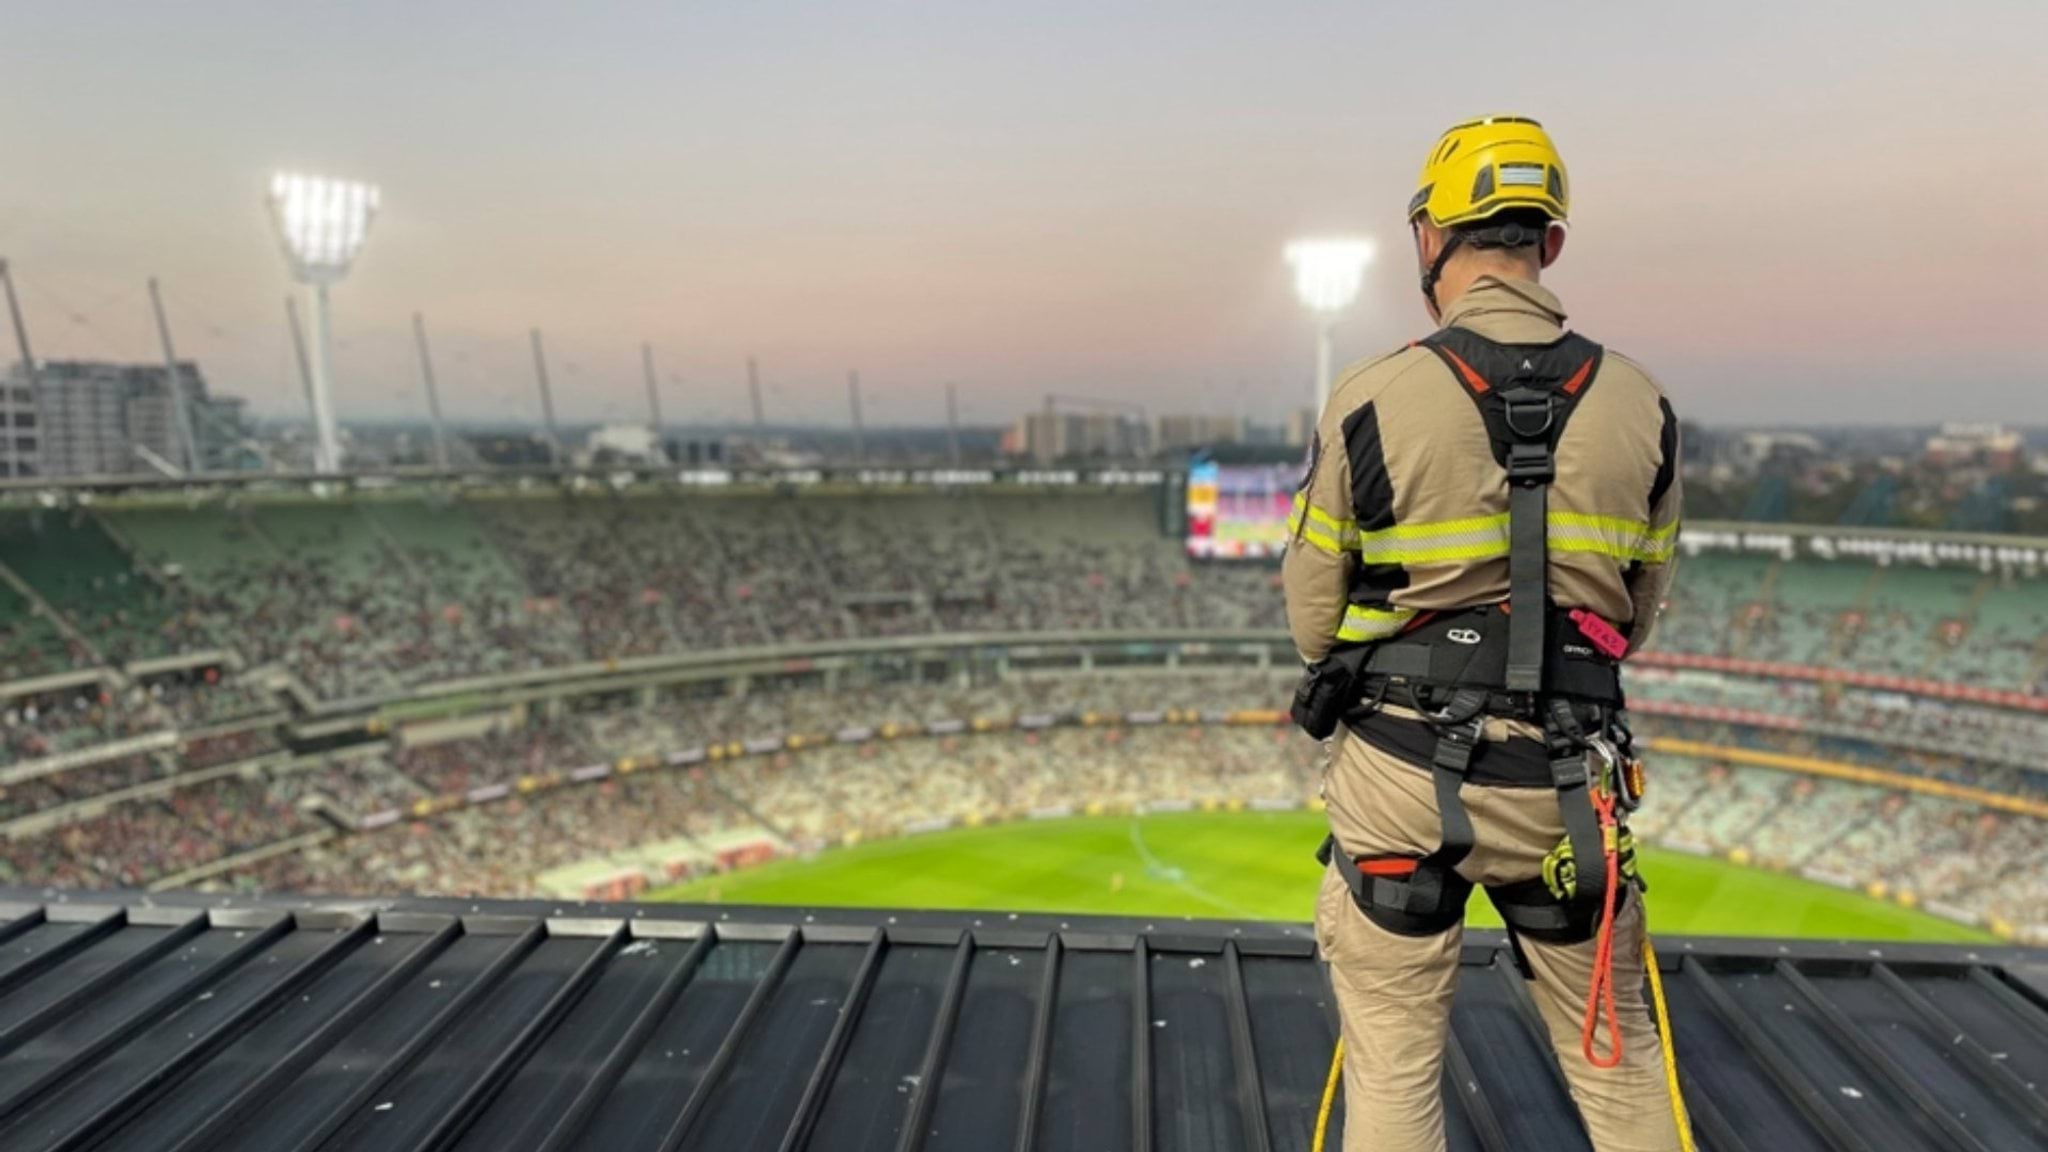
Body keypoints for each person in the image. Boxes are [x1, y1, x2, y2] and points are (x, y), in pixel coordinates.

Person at [1283, 115, 1688, 1151]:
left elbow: (1310, 620)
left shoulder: (1370, 395)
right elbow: (1629, 621)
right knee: (1619, 1061)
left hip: (1400, 783)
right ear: (1547, 242)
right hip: (1564, 788)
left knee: (1390, 1069)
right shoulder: (1641, 403)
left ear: (1430, 240)